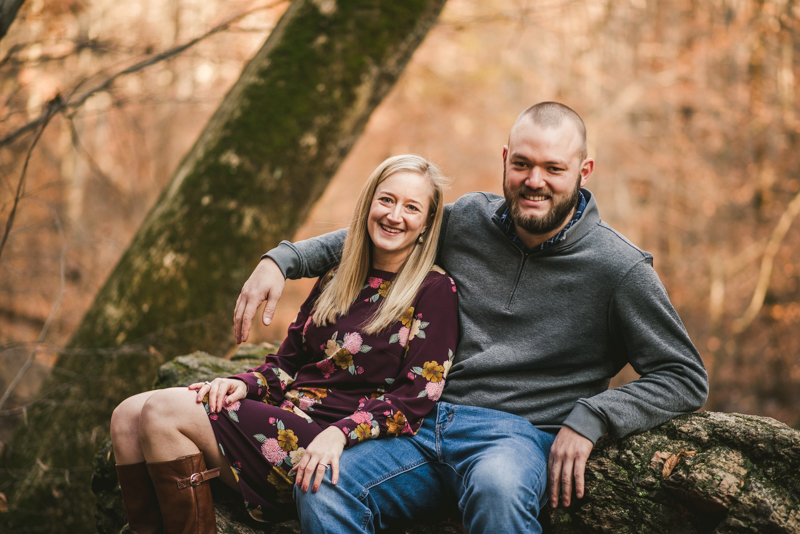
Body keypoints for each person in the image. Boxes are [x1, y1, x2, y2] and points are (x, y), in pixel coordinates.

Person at [233, 102, 710, 534]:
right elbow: (379, 233)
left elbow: (683, 375)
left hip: (515, 437)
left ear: (584, 171)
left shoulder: (619, 269)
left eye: (553, 169)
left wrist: (593, 416)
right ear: (505, 159)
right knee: (325, 484)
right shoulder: (467, 222)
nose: (534, 181)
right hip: (421, 424)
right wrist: (284, 261)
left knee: (498, 490)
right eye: (522, 164)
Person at [109, 154, 458, 534]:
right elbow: (288, 362)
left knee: (163, 411)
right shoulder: (338, 275)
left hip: (327, 444)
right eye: (386, 200)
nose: (394, 215)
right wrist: (245, 383)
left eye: (411, 207)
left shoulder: (434, 291)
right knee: (127, 415)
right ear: (368, 204)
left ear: (426, 225)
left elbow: (414, 401)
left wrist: (341, 432)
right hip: (285, 414)